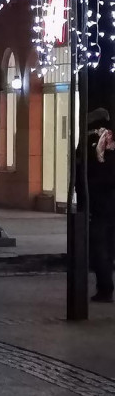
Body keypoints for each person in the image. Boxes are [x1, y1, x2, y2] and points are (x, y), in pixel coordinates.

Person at [77, 108, 115, 302]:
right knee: (107, 244)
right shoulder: (109, 140)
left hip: (98, 201)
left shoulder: (90, 142)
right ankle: (105, 286)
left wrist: (83, 198)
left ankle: (105, 287)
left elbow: (81, 171)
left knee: (98, 245)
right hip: (107, 200)